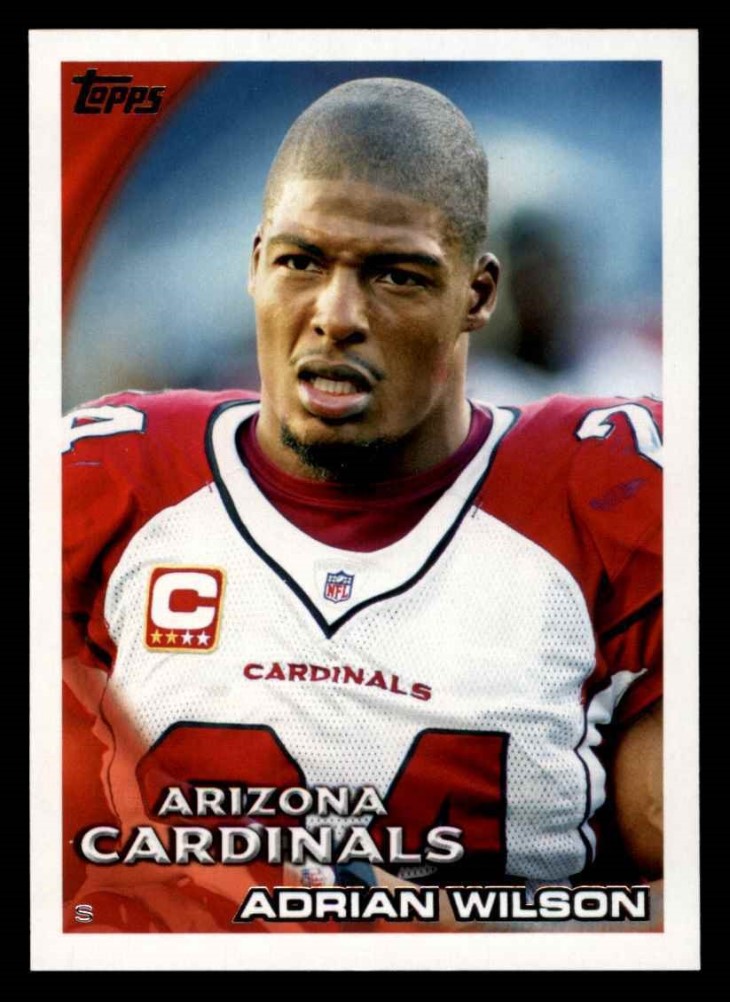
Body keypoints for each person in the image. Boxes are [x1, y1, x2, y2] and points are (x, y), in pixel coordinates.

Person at [62, 78, 662, 933]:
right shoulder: (105, 479)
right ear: (254, 262)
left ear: (477, 295)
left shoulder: (614, 495)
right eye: (301, 262)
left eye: (396, 275)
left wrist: (457, 930)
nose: (336, 316)